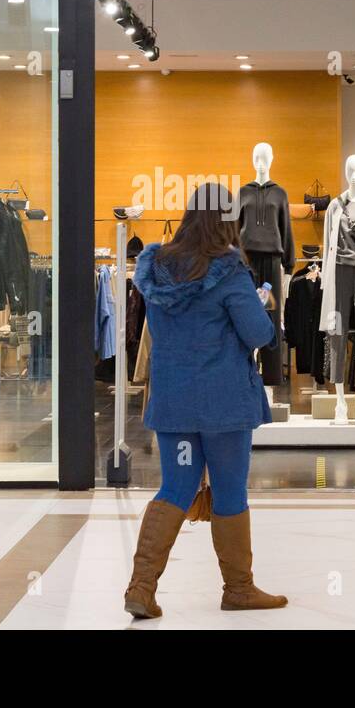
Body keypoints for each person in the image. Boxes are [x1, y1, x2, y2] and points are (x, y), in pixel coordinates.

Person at [123, 182, 288, 619]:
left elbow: (160, 331)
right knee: (229, 488)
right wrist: (263, 302)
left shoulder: (156, 269)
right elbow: (258, 334)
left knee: (176, 486)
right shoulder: (230, 272)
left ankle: (141, 587)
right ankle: (239, 589)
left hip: (175, 402)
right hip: (224, 405)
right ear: (225, 220)